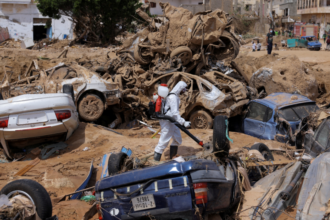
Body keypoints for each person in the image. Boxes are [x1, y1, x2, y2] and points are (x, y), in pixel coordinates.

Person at [154, 81, 191, 161]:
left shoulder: (174, 96)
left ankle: (173, 157)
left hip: (172, 121)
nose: (184, 91)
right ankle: (155, 161)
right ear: (180, 88)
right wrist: (183, 122)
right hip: (167, 120)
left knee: (177, 139)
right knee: (164, 140)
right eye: (183, 89)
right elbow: (175, 113)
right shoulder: (173, 97)